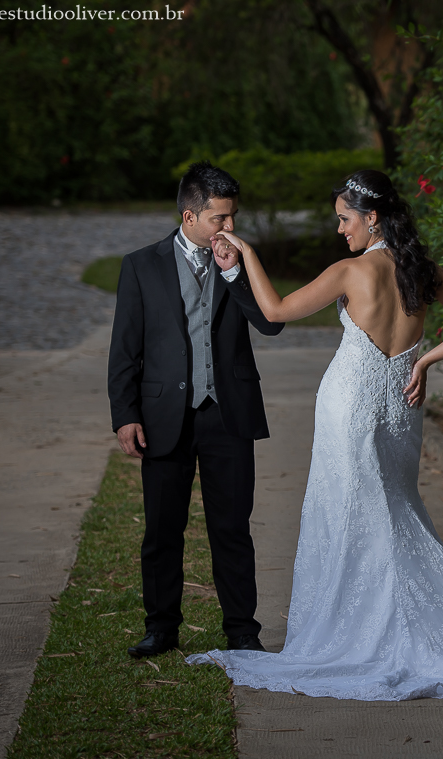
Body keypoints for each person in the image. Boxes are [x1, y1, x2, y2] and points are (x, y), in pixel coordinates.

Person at [186, 169, 443, 699]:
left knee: (352, 516)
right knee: (392, 511)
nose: (340, 230)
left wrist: (246, 254)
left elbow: (273, 312)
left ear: (372, 217)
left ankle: (362, 635)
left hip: (350, 406)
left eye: (344, 219)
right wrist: (425, 359)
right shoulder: (422, 270)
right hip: (400, 409)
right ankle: (389, 628)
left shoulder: (349, 272)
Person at [108, 161, 284, 659]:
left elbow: (271, 326)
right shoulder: (141, 265)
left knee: (232, 526)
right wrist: (125, 413)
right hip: (166, 416)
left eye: (232, 218)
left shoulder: (240, 262)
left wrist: (234, 272)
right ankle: (161, 627)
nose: (229, 228)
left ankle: (242, 631)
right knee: (163, 529)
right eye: (219, 219)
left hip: (228, 413)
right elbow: (125, 350)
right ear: (190, 216)